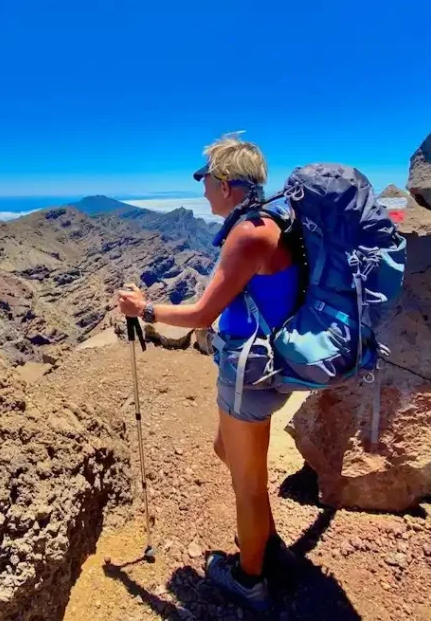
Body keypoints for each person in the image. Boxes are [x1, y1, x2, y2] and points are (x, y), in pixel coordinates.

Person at [118, 136, 299, 611]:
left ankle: (249, 578)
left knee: (248, 484)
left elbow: (202, 314)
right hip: (263, 365)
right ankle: (266, 543)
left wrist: (144, 309)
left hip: (249, 371)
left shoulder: (249, 234)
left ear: (225, 184)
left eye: (204, 179)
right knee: (229, 453)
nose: (201, 190)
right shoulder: (270, 220)